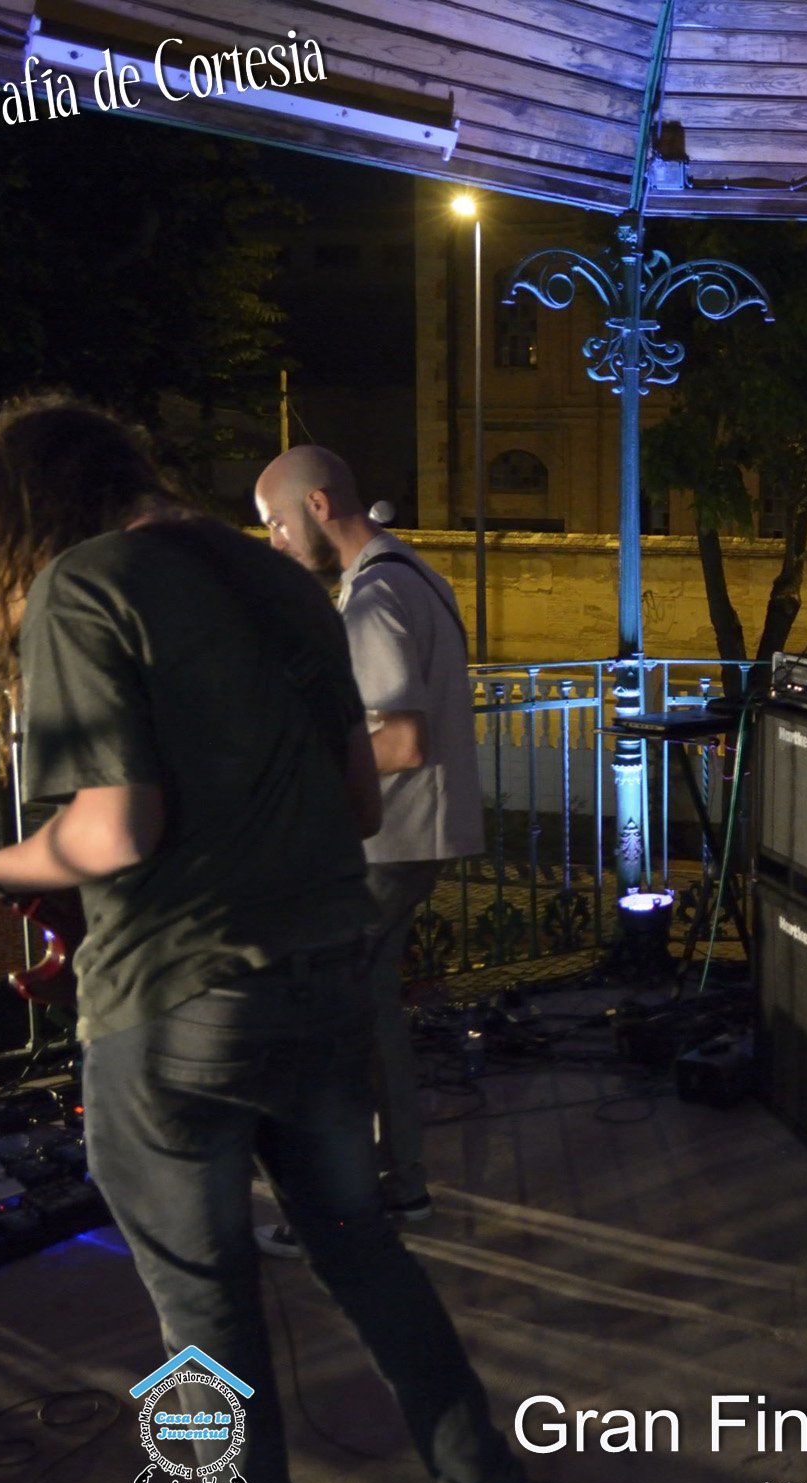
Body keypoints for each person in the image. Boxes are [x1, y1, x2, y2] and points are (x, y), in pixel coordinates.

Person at [0, 395, 541, 1483]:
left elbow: (114, 828)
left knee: (197, 1311)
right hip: (323, 979)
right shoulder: (284, 582)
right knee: (364, 1250)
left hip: (173, 1011)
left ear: (26, 512)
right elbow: (360, 803)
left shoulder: (84, 585)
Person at [251, 446, 481, 1251]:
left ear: (317, 505)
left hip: (390, 841)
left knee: (330, 1022)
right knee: (370, 1013)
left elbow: (405, 739)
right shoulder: (411, 573)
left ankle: (350, 1201)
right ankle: (400, 1186)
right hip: (414, 837)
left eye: (278, 523)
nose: (276, 542)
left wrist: (300, 765)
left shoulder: (375, 597)